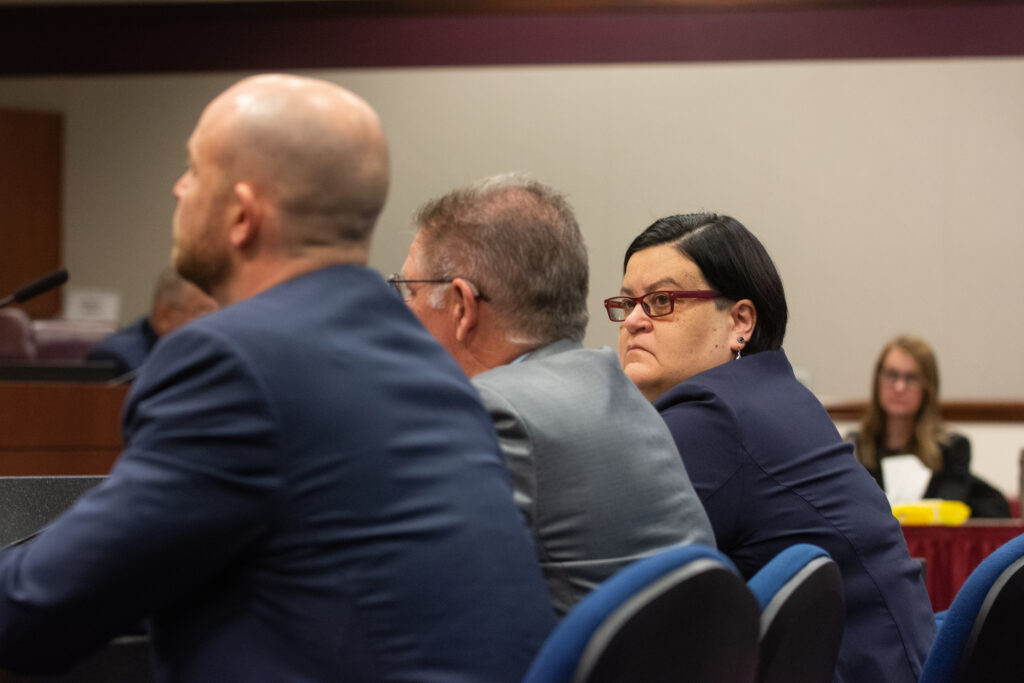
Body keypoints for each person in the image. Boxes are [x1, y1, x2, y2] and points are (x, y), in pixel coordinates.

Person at [0, 75, 556, 681]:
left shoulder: (231, 361)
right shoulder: (421, 357)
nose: (177, 188)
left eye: (193, 169)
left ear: (241, 214)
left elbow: (36, 611)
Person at [607, 212, 935, 683]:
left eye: (661, 300)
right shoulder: (772, 395)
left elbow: (608, 572)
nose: (635, 321)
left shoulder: (712, 418)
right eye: (627, 302)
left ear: (740, 320)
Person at [394, 173, 714, 616]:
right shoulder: (615, 388)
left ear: (462, 307)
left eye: (409, 291)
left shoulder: (492, 413)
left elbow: (418, 595)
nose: (400, 315)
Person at [849, 335, 971, 502]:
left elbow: (948, 519)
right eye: (892, 375)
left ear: (928, 387)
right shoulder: (855, 447)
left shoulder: (952, 449)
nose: (899, 387)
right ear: (878, 380)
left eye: (911, 378)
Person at [86, 267, 218, 375]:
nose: (214, 322)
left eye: (219, 311)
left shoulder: (212, 356)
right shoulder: (118, 359)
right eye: (204, 312)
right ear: (165, 316)